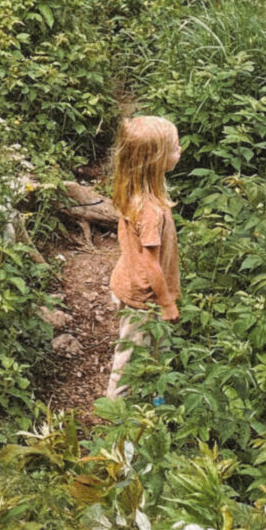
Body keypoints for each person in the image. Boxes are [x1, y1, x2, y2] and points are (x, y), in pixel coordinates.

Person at [103, 114, 181, 400]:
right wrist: (167, 303)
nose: (180, 151)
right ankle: (116, 414)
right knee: (130, 359)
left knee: (159, 350)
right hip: (144, 299)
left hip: (132, 285)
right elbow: (151, 264)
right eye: (174, 147)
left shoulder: (134, 192)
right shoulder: (150, 210)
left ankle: (156, 405)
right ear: (155, 160)